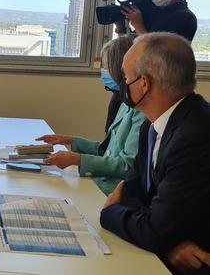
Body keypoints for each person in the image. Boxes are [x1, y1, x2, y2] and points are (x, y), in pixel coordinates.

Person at [100, 33, 210, 274]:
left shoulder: (195, 135)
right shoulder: (151, 126)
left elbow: (154, 231)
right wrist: (165, 237)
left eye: (126, 78)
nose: (122, 85)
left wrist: (109, 213)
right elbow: (132, 191)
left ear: (144, 83)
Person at [35, 35, 146, 195]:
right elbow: (107, 151)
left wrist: (78, 159)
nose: (104, 72)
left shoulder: (142, 113)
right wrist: (71, 141)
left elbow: (127, 166)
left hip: (113, 192)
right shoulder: (125, 104)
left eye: (107, 67)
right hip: (100, 184)